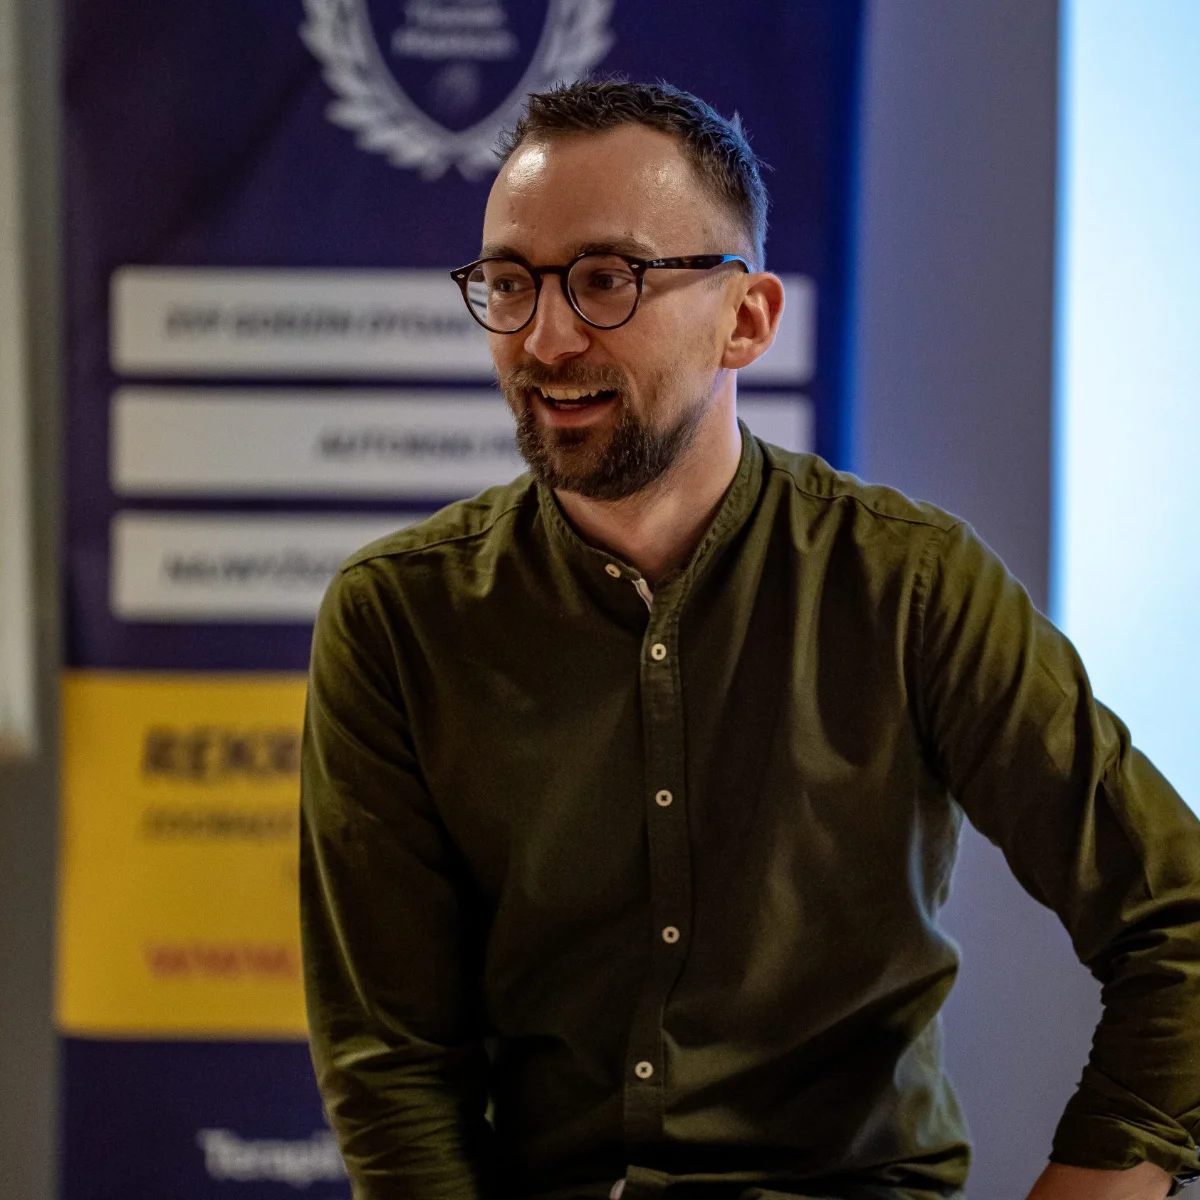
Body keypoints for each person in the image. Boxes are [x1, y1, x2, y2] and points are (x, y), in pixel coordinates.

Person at [299, 80, 1200, 1200]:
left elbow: (1180, 925)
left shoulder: (909, 586)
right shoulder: (400, 618)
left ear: (748, 319)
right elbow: (392, 1068)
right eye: (511, 282)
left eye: (607, 279)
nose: (545, 336)